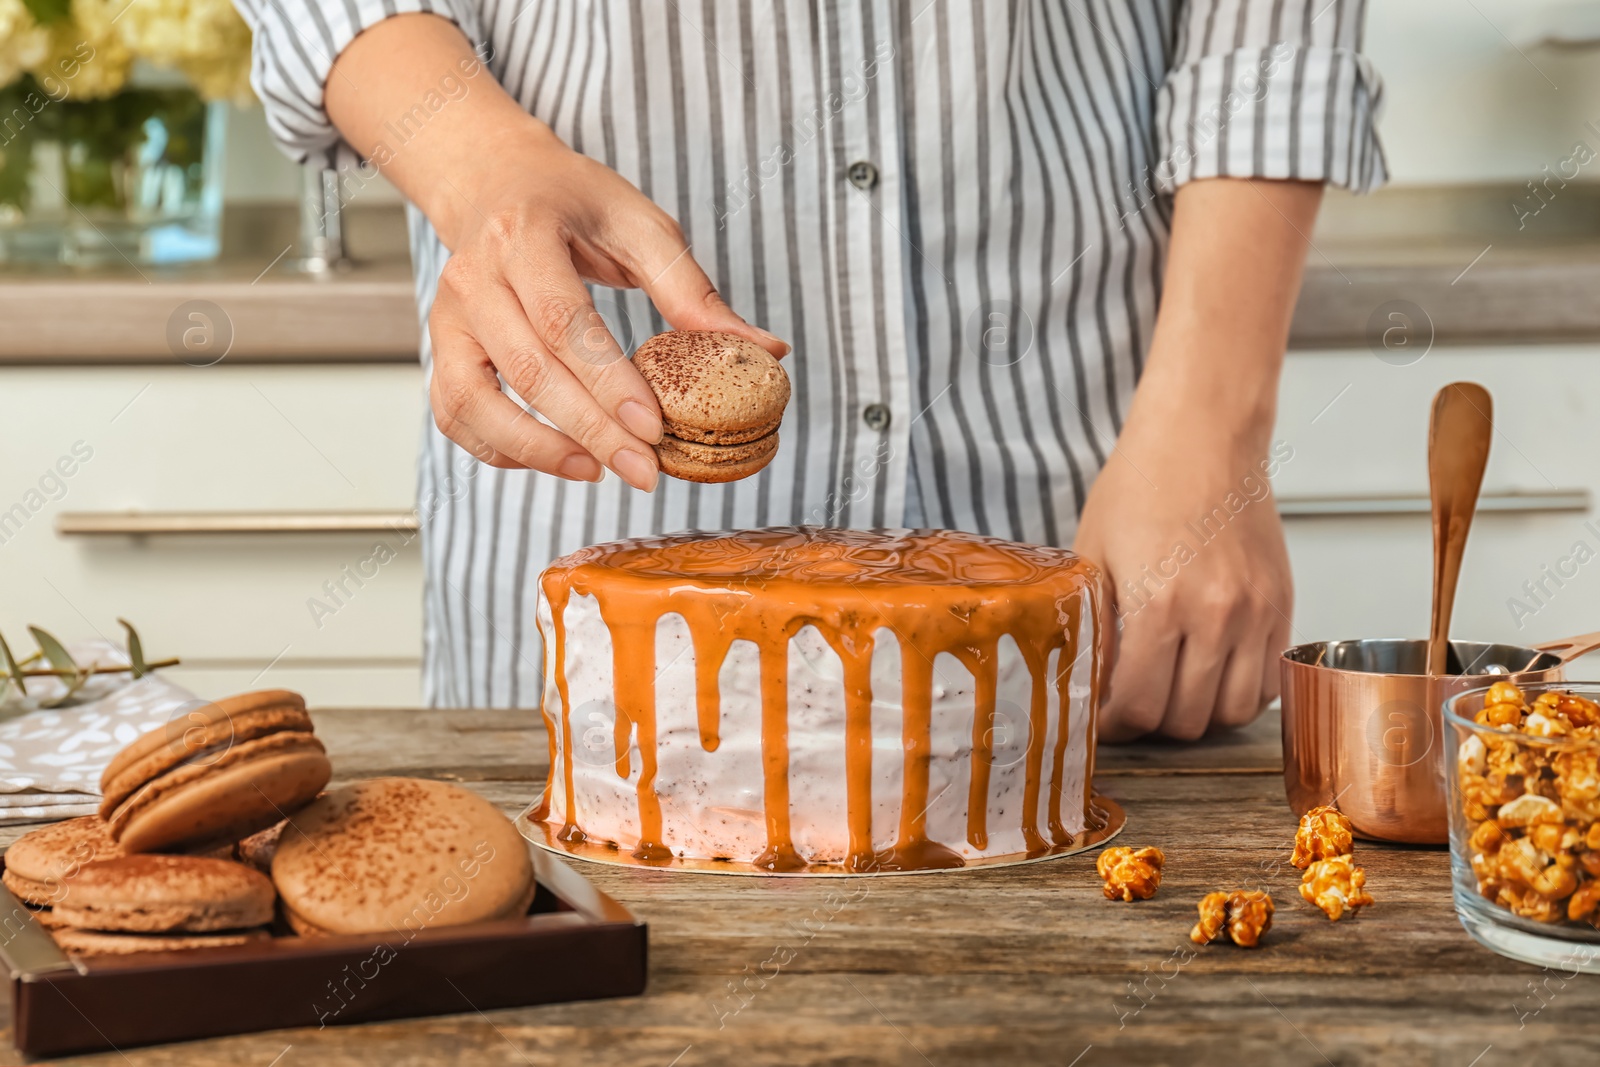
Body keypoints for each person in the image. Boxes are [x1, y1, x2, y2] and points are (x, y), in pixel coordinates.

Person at [237, 0, 1385, 738]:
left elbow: (1271, 32)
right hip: (595, 497)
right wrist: (477, 158)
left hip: (1088, 511)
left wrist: (1208, 427)